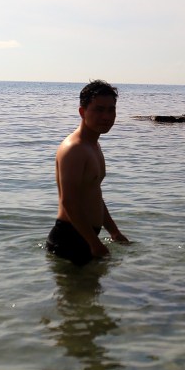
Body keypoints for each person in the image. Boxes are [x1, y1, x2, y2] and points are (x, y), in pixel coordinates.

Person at [46, 80, 130, 265]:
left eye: (111, 110)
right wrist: (94, 243)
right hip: (70, 240)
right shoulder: (74, 149)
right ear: (82, 112)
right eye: (99, 110)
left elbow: (93, 194)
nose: (106, 116)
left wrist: (114, 231)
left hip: (85, 237)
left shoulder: (93, 145)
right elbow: (69, 202)